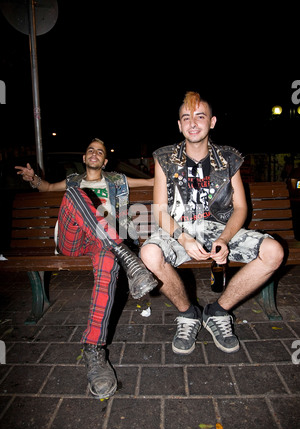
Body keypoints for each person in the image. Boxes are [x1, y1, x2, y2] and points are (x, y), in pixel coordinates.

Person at [140, 91, 284, 356]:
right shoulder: (165, 158)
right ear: (179, 125)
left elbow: (240, 208)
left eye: (200, 116)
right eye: (186, 117)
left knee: (274, 252)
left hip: (218, 228)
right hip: (179, 229)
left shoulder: (228, 158)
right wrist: (183, 237)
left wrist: (224, 239)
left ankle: (218, 311)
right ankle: (188, 314)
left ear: (212, 122)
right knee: (149, 253)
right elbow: (160, 210)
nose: (193, 122)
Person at [15, 138, 157, 399]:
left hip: (102, 245)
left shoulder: (116, 181)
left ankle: (94, 349)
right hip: (73, 241)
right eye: (90, 150)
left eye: (99, 152)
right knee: (73, 194)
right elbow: (45, 188)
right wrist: (33, 179)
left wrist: (166, 172)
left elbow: (150, 182)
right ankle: (126, 255)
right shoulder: (72, 182)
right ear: (84, 158)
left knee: (107, 260)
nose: (94, 154)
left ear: (105, 161)